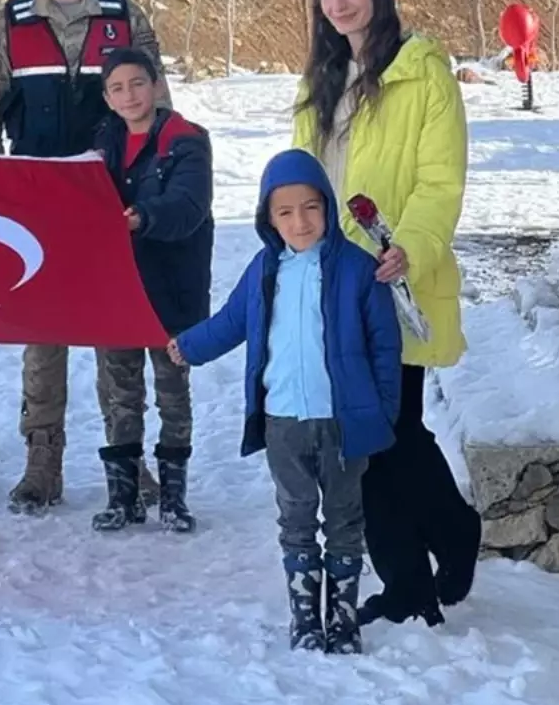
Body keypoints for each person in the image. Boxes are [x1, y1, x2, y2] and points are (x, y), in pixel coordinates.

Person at [292, 0, 481, 627]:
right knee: (360, 437)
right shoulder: (320, 79)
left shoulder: (421, 72)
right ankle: (409, 578)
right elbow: (301, 176)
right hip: (335, 281)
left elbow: (441, 180)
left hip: (393, 274)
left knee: (390, 428)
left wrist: (413, 246)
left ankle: (451, 535)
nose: (339, 4)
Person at [0, 0, 168, 513]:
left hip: (113, 202)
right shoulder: (9, 22)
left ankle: (127, 461)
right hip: (38, 206)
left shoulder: (123, 16)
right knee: (44, 335)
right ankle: (41, 463)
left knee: (116, 333)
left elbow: (154, 103)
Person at [170, 149, 401, 653]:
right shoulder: (264, 269)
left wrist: (383, 411)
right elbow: (232, 321)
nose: (300, 221)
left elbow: (386, 346)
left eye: (311, 207)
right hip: (283, 423)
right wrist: (189, 346)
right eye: (285, 211)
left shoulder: (359, 271)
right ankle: (304, 617)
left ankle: (342, 618)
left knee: (344, 519)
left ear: (328, 205)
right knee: (296, 517)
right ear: (268, 217)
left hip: (343, 424)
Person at [93, 47, 213, 535]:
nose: (129, 95)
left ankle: (174, 497)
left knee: (171, 396)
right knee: (121, 397)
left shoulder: (187, 141)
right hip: (117, 291)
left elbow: (189, 205)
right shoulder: (101, 143)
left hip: (172, 293)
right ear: (106, 97)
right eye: (117, 87)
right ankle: (123, 496)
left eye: (138, 83)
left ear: (157, 85)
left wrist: (144, 218)